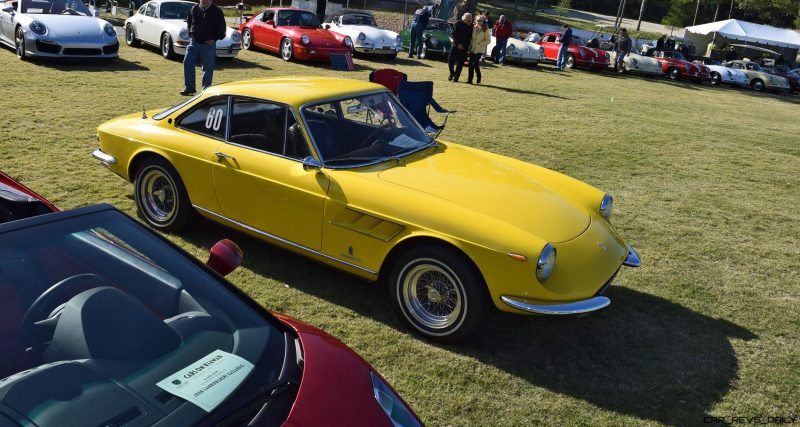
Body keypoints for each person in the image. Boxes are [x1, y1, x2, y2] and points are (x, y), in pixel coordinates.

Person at [182, 0, 226, 96]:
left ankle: (206, 91)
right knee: (187, 62)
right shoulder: (194, 8)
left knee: (207, 68)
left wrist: (214, 39)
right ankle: (189, 88)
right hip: (193, 43)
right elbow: (189, 21)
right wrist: (191, 33)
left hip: (208, 45)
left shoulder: (217, 11)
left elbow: (222, 28)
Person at [448, 12, 473, 82]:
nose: (469, 21)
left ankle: (456, 77)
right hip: (455, 44)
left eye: (470, 19)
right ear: (464, 18)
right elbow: (453, 34)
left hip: (464, 47)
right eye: (468, 19)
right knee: (450, 60)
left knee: (460, 62)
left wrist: (467, 46)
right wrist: (458, 44)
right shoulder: (458, 23)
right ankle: (452, 73)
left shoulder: (471, 26)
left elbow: (471, 37)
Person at [467, 15, 490, 84]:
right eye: (478, 20)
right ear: (475, 21)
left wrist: (480, 44)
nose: (480, 22)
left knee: (474, 64)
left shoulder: (485, 29)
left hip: (480, 49)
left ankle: (478, 76)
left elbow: (488, 40)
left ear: (483, 21)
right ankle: (469, 80)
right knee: (471, 64)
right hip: (472, 49)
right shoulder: (473, 27)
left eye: (481, 20)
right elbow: (471, 37)